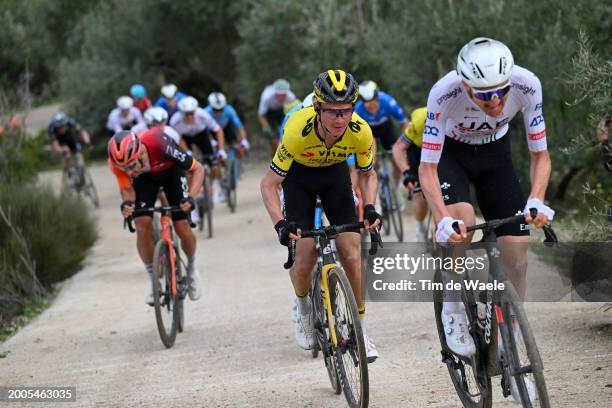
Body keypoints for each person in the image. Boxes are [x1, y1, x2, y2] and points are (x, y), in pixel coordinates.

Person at [419, 37, 554, 403]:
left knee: (517, 255)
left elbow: (540, 156)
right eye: (482, 95)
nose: (494, 102)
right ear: (464, 85)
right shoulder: (443, 94)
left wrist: (537, 198)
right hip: (452, 157)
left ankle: (511, 342)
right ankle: (451, 304)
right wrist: (442, 219)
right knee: (459, 227)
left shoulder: (527, 84)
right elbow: (427, 168)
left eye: (500, 92)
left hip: (497, 157)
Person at [260, 69, 381, 362]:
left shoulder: (360, 130)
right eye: (333, 112)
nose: (341, 119)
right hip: (298, 180)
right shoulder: (296, 130)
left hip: (334, 177)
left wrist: (369, 207)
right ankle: (302, 309)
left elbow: (367, 175)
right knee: (304, 255)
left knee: (351, 253)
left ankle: (361, 329)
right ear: (316, 107)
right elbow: (269, 184)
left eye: (346, 111)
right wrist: (280, 223)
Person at [108, 128, 204, 304]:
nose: (128, 172)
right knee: (141, 225)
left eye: (130, 166)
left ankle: (191, 267)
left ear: (140, 152)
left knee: (182, 226)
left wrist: (192, 197)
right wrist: (128, 203)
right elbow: (127, 189)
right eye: (123, 168)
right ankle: (153, 279)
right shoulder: (117, 162)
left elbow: (198, 169)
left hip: (171, 172)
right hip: (145, 179)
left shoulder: (159, 145)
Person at [170, 96, 227, 203]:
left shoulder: (202, 115)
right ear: (181, 113)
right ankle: (194, 193)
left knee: (214, 164)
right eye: (186, 114)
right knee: (188, 169)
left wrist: (221, 149)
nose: (190, 116)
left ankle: (215, 187)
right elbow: (177, 138)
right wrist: (186, 150)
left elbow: (218, 130)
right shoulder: (175, 121)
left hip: (202, 136)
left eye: (192, 113)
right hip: (185, 138)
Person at [355, 80, 409, 188]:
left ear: (378, 97)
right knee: (371, 163)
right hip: (369, 131)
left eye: (374, 101)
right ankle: (376, 186)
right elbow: (356, 134)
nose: (372, 106)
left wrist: (404, 142)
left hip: (386, 128)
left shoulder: (388, 101)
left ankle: (396, 185)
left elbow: (404, 122)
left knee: (396, 158)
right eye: (367, 103)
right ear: (362, 101)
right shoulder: (358, 109)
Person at [392, 106, 429, 241]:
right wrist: (407, 172)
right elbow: (398, 147)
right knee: (419, 191)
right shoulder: (419, 121)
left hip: (443, 148)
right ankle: (420, 227)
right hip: (417, 149)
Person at [257, 79, 297, 154]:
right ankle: (274, 153)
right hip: (269, 113)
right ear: (275, 93)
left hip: (282, 111)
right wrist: (266, 127)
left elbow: (296, 112)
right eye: (279, 95)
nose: (282, 98)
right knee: (271, 135)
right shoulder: (266, 96)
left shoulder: (291, 97)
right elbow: (261, 115)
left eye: (284, 95)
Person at [205, 92, 250, 156]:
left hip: (226, 127)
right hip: (212, 131)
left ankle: (238, 163)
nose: (218, 112)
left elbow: (239, 125)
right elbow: (204, 130)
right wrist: (210, 140)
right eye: (215, 109)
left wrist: (244, 139)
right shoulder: (205, 112)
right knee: (213, 147)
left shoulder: (229, 110)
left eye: (221, 109)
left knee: (237, 146)